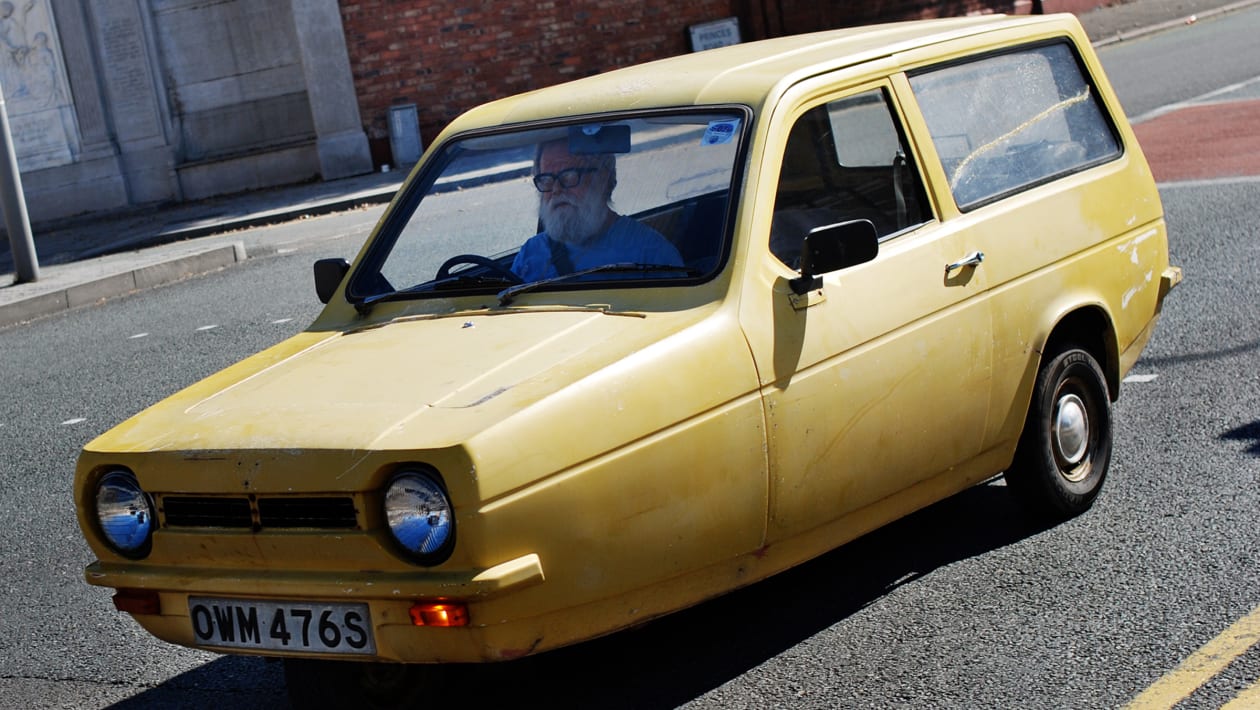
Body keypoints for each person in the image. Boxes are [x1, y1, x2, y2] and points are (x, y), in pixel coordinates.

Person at [511, 138, 683, 282]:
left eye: (569, 176)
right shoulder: (530, 252)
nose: (556, 189)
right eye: (546, 179)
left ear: (602, 178)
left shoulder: (651, 253)